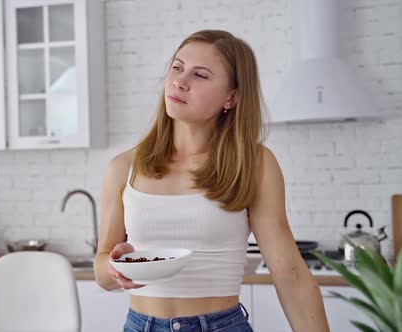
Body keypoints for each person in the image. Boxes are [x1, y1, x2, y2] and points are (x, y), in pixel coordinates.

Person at [93, 30, 330, 332]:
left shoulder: (253, 164)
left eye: (201, 75)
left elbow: (290, 274)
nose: (180, 81)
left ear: (231, 97)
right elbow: (101, 270)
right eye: (177, 67)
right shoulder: (124, 167)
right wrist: (115, 267)